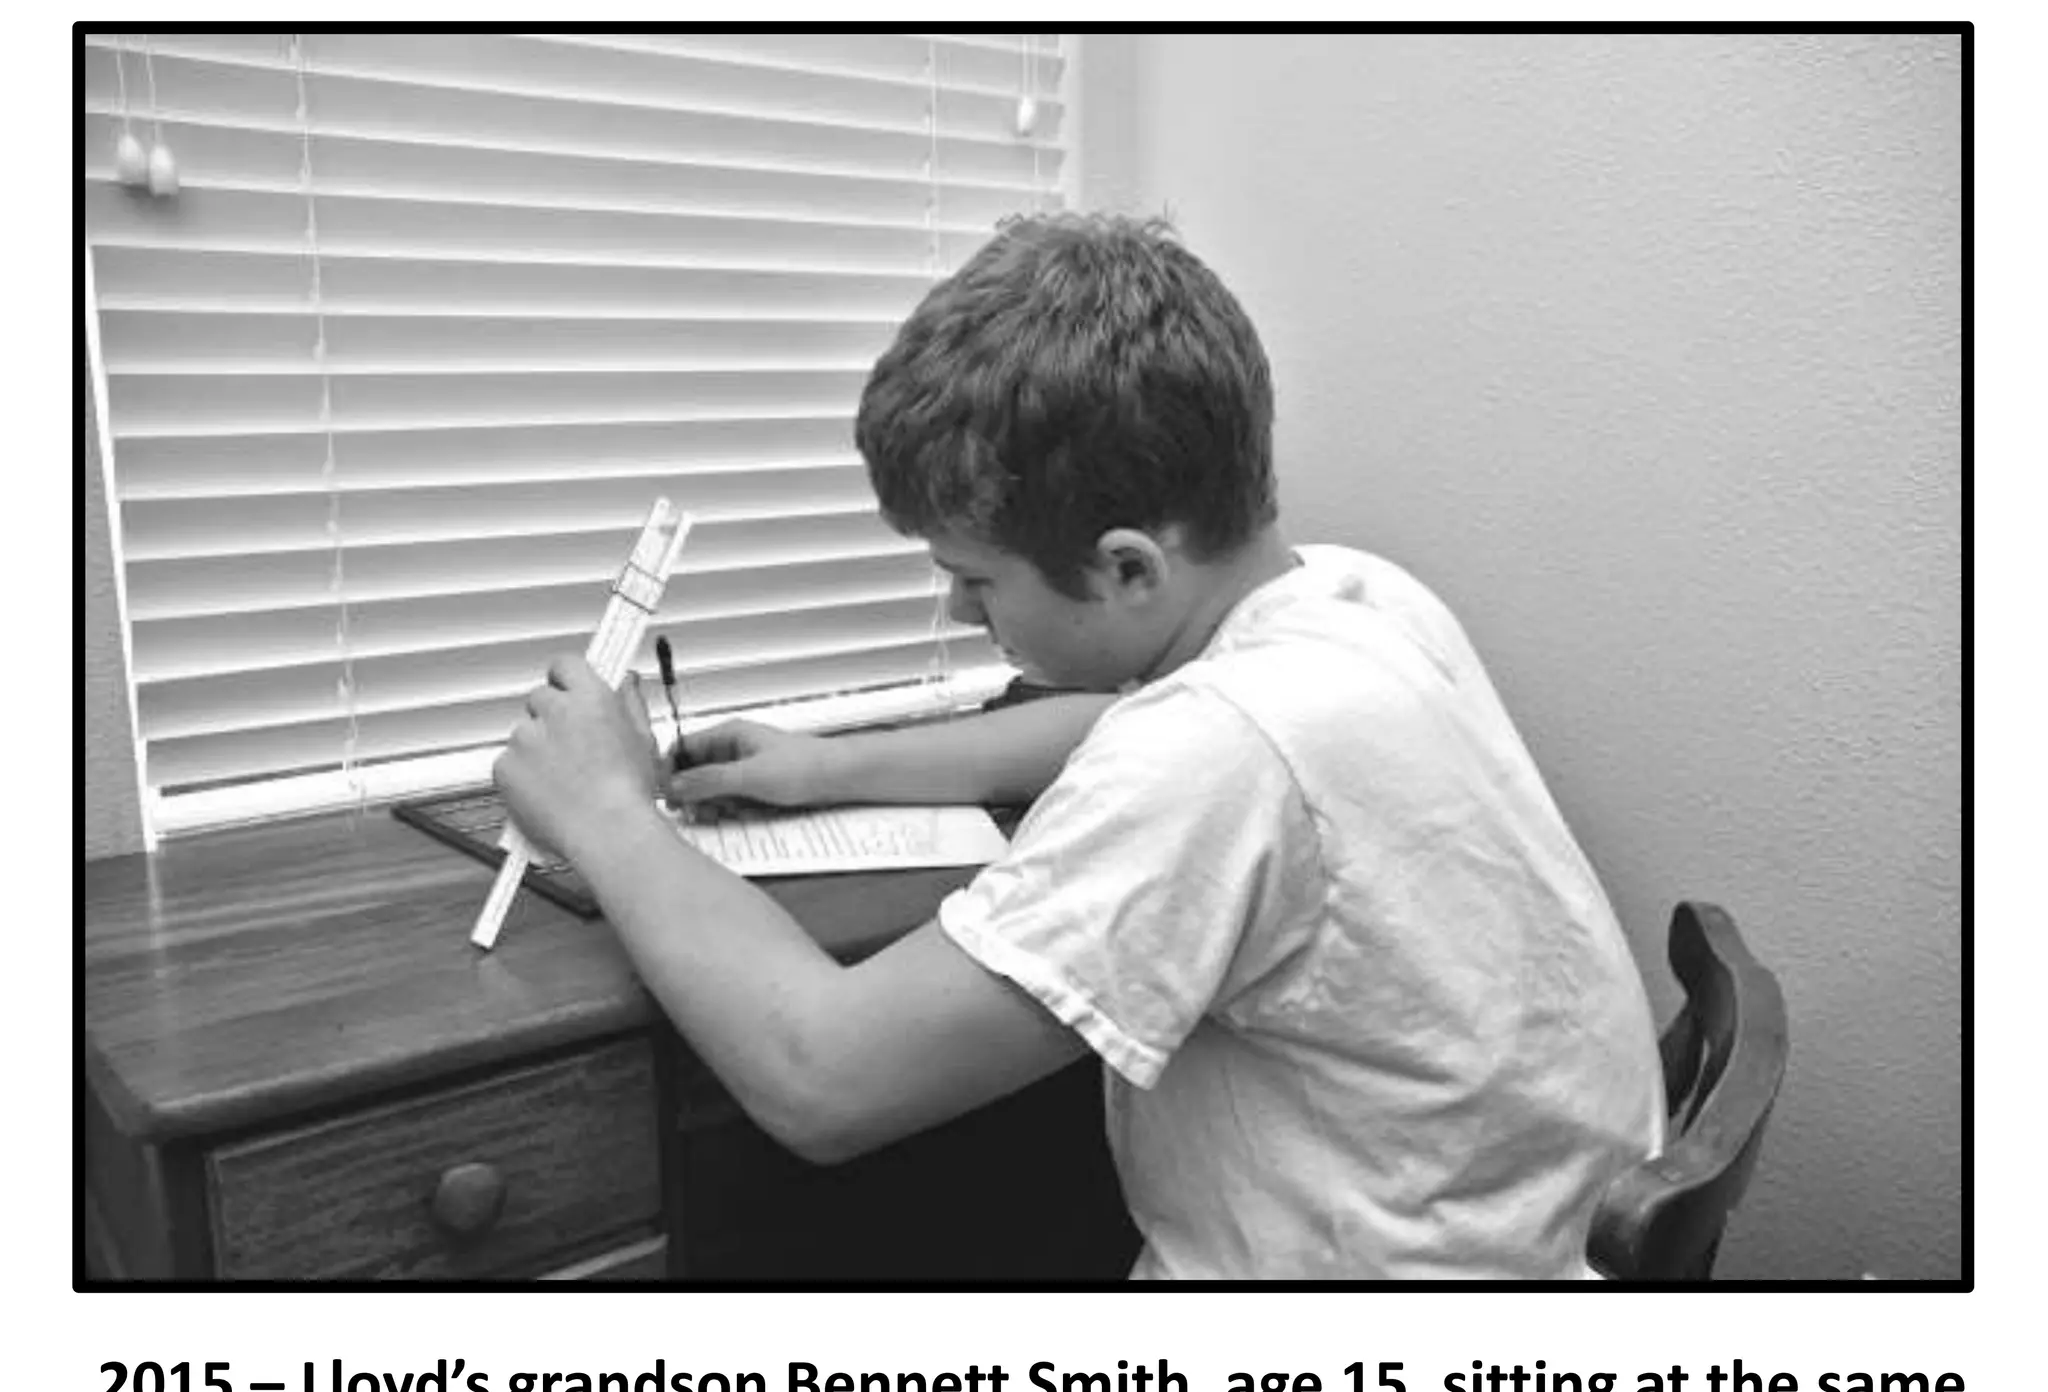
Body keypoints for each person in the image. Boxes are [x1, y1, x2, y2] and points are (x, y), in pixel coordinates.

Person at [494, 211, 1664, 1280]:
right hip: (1530, 1229)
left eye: (973, 580)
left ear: (1125, 569)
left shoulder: (1209, 761)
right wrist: (830, 766)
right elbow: (1138, 720)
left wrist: (604, 812)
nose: (960, 614)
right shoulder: (1353, 598)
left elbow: (821, 1075)